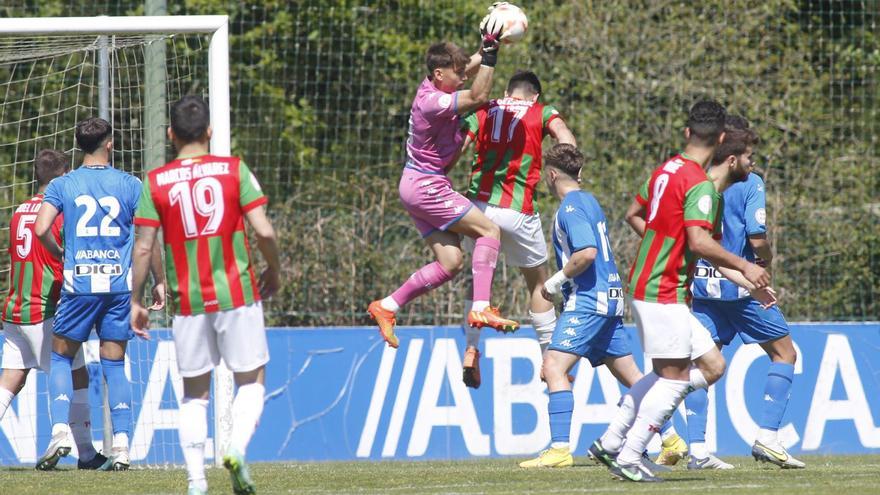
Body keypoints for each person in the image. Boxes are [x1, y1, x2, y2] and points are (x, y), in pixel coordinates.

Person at [588, 101, 772, 482]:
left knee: (712, 366)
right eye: (749, 157)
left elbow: (636, 215)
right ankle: (631, 453)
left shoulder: (665, 170)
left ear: (688, 133)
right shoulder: (700, 186)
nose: (751, 163)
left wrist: (745, 282)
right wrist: (746, 264)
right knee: (673, 378)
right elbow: (700, 242)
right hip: (662, 290)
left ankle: (610, 441)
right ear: (724, 143)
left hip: (656, 286)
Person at [131, 95, 281, 495]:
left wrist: (135, 300)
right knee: (251, 381)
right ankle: (235, 447)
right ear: (209, 132)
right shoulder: (234, 170)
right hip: (237, 294)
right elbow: (263, 231)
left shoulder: (156, 181)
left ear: (170, 135)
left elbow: (144, 246)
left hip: (187, 302)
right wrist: (276, 269)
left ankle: (196, 481)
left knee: (194, 395)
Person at [368, 13, 519, 348]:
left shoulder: (438, 86)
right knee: (489, 230)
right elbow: (478, 96)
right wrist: (491, 59)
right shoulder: (432, 101)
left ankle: (387, 305)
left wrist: (488, 47)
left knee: (451, 262)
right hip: (426, 186)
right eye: (457, 72)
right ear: (439, 74)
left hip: (416, 183)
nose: (463, 76)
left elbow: (468, 71)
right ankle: (481, 307)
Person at [517, 144, 669, 471]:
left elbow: (585, 253)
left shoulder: (570, 208)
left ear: (552, 174)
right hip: (610, 297)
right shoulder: (589, 201)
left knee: (554, 367)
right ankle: (671, 439)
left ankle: (559, 450)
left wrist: (555, 281)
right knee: (634, 377)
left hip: (588, 300)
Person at [672, 116, 805, 469]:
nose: (753, 160)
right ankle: (768, 437)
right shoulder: (750, 182)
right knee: (784, 353)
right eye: (750, 151)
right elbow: (756, 238)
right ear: (735, 153)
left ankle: (698, 450)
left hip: (701, 287)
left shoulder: (696, 181)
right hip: (742, 290)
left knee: (701, 364)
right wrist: (765, 263)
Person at [34, 118, 165, 471]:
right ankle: (121, 446)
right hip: (118, 287)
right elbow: (147, 237)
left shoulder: (63, 184)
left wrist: (60, 252)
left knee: (61, 358)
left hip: (80, 286)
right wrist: (158, 280)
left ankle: (60, 431)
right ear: (109, 144)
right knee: (113, 363)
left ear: (79, 145)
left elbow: (41, 227)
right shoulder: (129, 184)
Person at [458, 70, 576, 388]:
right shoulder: (542, 112)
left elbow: (456, 148)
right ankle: (551, 361)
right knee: (538, 286)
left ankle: (471, 348)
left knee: (477, 283)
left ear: (508, 92)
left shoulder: (483, 109)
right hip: (518, 211)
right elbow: (564, 134)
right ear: (534, 96)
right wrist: (571, 173)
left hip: (479, 211)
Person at [1, 150, 105, 470]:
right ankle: (81, 450)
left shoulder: (19, 211)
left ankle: (84, 452)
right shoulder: (59, 212)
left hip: (14, 310)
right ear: (64, 177)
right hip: (43, 309)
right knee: (75, 373)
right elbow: (63, 258)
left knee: (10, 382)